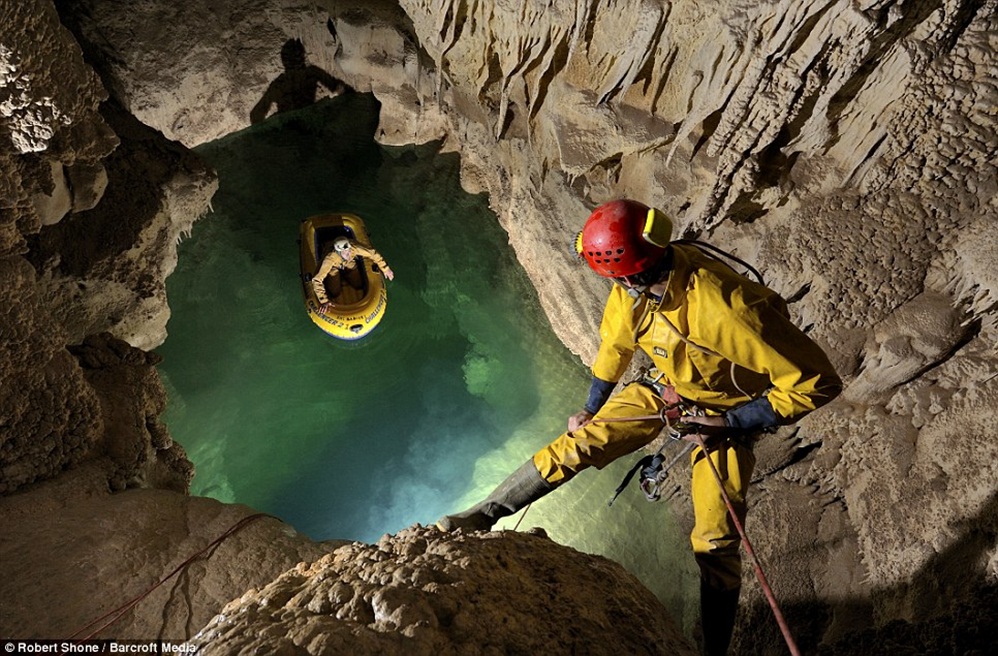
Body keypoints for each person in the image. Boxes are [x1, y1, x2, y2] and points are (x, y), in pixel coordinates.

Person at [435, 199, 842, 655]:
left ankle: (713, 650)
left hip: (727, 414)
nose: (613, 287)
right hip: (667, 391)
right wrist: (591, 407)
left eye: (612, 278)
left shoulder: (727, 309)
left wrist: (728, 422)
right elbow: (615, 345)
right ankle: (484, 515)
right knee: (578, 443)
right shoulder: (637, 288)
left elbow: (818, 382)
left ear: (629, 271)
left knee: (716, 543)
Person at [250, 38, 353, 124]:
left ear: (284, 61)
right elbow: (338, 87)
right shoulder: (311, 73)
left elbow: (255, 114)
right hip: (308, 124)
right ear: (302, 56)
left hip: (287, 130)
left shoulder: (279, 84)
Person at [312, 237, 394, 311]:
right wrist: (324, 300)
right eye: (345, 252)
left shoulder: (353, 248)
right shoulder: (330, 259)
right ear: (339, 252)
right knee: (334, 293)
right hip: (334, 267)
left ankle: (346, 274)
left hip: (349, 263)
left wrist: (385, 268)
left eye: (348, 250)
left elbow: (372, 253)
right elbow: (317, 279)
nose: (348, 253)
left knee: (359, 284)